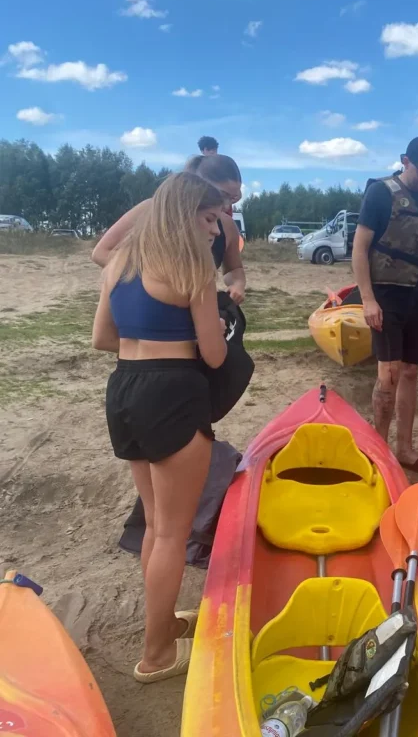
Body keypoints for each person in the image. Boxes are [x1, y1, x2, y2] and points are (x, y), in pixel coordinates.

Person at [91, 172, 228, 682]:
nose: (214, 230)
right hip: (173, 393)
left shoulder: (120, 262)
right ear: (185, 214)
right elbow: (215, 356)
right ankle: (156, 656)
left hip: (124, 389)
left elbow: (102, 338)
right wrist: (207, 335)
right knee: (172, 533)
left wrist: (150, 340)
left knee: (155, 524)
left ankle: (165, 625)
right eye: (209, 218)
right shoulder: (193, 267)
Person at [352, 136, 418, 466]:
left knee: (410, 371)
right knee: (389, 373)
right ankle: (379, 449)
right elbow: (360, 248)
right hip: (386, 293)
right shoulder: (380, 193)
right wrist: (367, 299)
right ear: (405, 161)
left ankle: (404, 447)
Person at [93, 154, 247, 305]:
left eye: (233, 198)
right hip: (146, 307)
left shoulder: (227, 226)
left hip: (196, 309)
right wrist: (156, 281)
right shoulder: (151, 210)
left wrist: (237, 285)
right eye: (223, 195)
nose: (227, 205)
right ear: (198, 182)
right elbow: (101, 253)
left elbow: (234, 269)